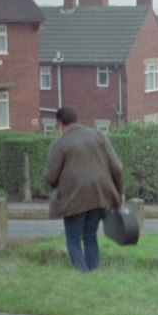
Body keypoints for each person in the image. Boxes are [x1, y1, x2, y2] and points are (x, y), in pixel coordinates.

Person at [43, 108, 123, 272]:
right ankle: (94, 273)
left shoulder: (60, 143)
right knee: (90, 237)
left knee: (73, 240)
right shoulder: (99, 136)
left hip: (74, 198)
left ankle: (82, 275)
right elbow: (117, 167)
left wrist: (50, 182)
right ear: (77, 120)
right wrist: (119, 191)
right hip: (100, 195)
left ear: (60, 123)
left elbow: (51, 177)